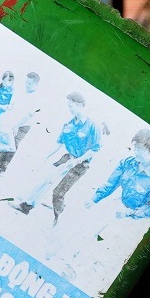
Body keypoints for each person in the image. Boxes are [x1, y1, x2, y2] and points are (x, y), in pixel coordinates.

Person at [13, 91, 104, 219]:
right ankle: (26, 206)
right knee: (45, 179)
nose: (69, 109)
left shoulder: (93, 126)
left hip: (80, 165)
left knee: (58, 194)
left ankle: (59, 217)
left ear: (80, 105)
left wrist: (77, 161)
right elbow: (58, 143)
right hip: (67, 159)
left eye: (71, 106)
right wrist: (44, 157)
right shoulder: (69, 124)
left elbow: (95, 150)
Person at [90, 129, 150, 220]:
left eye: (141, 149)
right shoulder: (127, 162)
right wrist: (93, 200)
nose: (136, 152)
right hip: (119, 208)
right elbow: (110, 185)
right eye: (136, 147)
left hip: (136, 220)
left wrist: (128, 213)